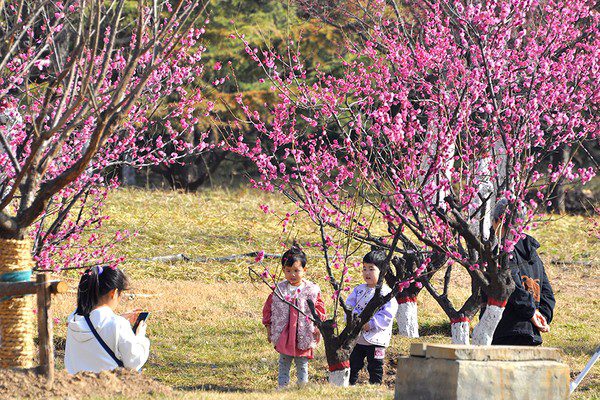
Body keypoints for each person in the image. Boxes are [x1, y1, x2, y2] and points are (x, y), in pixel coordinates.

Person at [487, 199, 556, 346]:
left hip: (505, 331)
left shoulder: (501, 252)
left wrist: (532, 314)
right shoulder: (533, 253)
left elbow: (512, 286)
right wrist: (540, 316)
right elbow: (547, 294)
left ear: (498, 221)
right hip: (532, 333)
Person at [262, 243, 326, 388]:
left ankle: (302, 387)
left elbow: (319, 309)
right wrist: (269, 328)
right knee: (284, 361)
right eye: (288, 270)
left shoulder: (311, 290)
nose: (292, 274)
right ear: (283, 270)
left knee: (302, 362)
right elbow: (269, 309)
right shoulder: (280, 290)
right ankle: (282, 387)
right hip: (285, 334)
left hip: (304, 331)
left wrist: (318, 326)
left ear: (304, 270)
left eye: (296, 270)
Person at [65, 266, 150, 374]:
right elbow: (134, 362)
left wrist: (120, 318)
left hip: (75, 385)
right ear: (113, 293)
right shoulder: (118, 324)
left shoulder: (74, 319)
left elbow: (96, 325)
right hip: (108, 387)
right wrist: (140, 337)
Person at [347, 250, 398, 385]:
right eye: (364, 269)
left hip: (377, 339)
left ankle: (375, 385)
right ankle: (349, 384)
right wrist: (354, 319)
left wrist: (371, 323)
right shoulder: (359, 290)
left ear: (382, 272)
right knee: (353, 363)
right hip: (358, 338)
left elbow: (387, 314)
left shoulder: (386, 292)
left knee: (375, 365)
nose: (367, 273)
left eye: (371, 269)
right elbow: (350, 305)